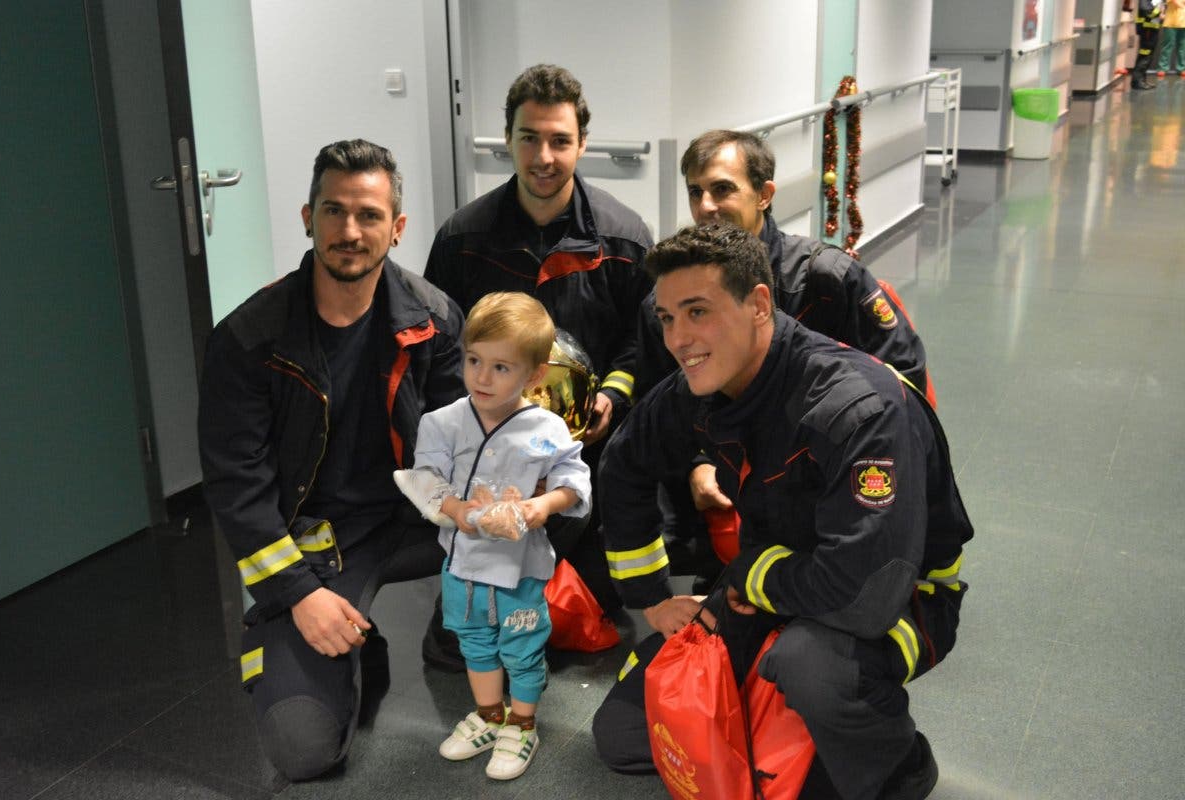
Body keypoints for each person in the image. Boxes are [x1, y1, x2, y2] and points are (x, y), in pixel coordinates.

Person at [592, 223, 973, 800]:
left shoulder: (858, 408)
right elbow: (623, 464)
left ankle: (901, 768)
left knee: (811, 667)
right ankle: (774, 711)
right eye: (667, 318)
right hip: (776, 579)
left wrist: (750, 575)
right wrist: (648, 597)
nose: (678, 339)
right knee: (622, 736)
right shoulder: (707, 383)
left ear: (760, 305)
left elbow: (863, 596)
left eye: (698, 311)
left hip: (902, 595)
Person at [197, 139, 464, 781]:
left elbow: (468, 445)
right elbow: (238, 492)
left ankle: (455, 630)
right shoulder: (247, 339)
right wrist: (297, 594)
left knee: (547, 514)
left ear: (396, 229)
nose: (350, 230)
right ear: (307, 218)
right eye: (333, 211)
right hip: (310, 543)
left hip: (409, 522)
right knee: (303, 749)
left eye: (369, 215)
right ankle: (340, 643)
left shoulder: (434, 318)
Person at [634, 130, 932, 594]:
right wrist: (697, 465)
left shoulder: (827, 280)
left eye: (723, 188)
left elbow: (903, 387)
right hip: (731, 492)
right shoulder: (668, 302)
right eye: (696, 192)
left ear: (765, 195)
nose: (707, 206)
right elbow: (660, 406)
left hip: (831, 485)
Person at [424, 63, 653, 629]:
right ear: (508, 140)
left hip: (587, 452)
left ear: (582, 144)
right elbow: (442, 348)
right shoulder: (462, 240)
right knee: (462, 640)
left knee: (602, 613)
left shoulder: (624, 238)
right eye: (529, 139)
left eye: (560, 141)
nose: (543, 157)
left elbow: (644, 339)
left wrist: (612, 400)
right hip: (488, 455)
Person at [394, 291, 591, 780]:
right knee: (474, 643)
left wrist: (541, 506)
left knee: (521, 647)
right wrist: (457, 510)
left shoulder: (545, 428)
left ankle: (522, 723)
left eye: (501, 367)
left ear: (535, 374)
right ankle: (489, 716)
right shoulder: (442, 422)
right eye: (473, 360)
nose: (482, 377)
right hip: (462, 565)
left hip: (519, 569)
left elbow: (575, 480)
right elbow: (423, 479)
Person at [1133, 0, 1164, 89]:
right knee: (1144, 55)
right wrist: (1159, 13)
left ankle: (1141, 80)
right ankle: (1137, 82)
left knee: (1148, 55)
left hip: (1151, 28)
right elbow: (1146, 9)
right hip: (1147, 29)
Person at [1156, 0, 1185, 77]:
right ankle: (1162, 68)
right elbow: (1177, 3)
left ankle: (1182, 68)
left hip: (1183, 23)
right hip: (1170, 23)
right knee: (1167, 46)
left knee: (1182, 47)